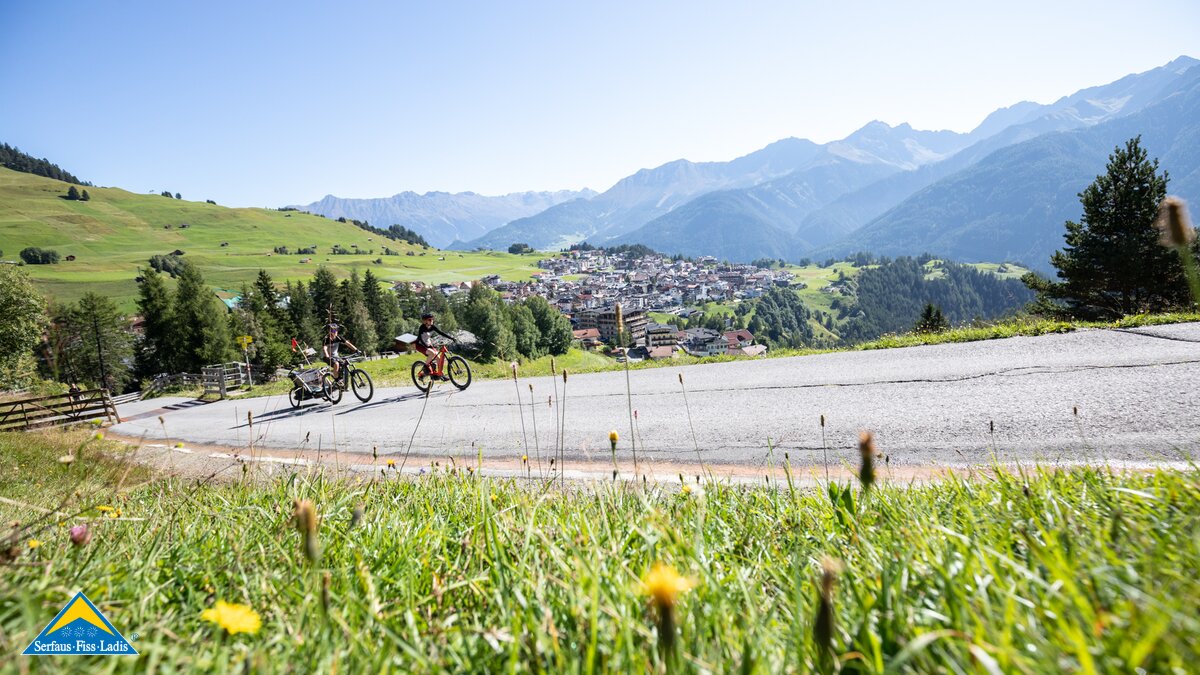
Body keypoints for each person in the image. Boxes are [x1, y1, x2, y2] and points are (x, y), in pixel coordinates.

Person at [415, 312, 454, 378]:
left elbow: (441, 333)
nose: (431, 321)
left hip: (427, 344)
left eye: (432, 319)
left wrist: (451, 338)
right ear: (425, 321)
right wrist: (427, 346)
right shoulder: (422, 327)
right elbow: (420, 339)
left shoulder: (432, 327)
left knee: (438, 358)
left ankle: (440, 374)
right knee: (432, 353)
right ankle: (425, 367)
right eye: (429, 320)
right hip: (420, 345)